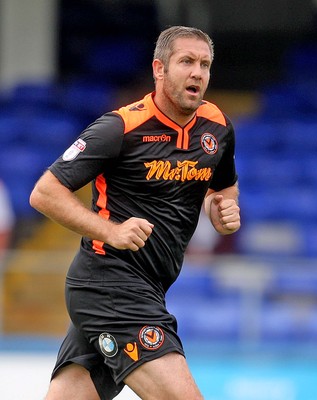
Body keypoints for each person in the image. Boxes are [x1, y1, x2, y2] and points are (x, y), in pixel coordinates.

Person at [30, 25, 240, 400]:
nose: (198, 73)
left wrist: (221, 207)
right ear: (159, 69)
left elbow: (222, 186)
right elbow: (45, 192)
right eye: (187, 62)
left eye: (205, 65)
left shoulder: (218, 127)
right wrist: (109, 231)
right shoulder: (121, 127)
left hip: (150, 287)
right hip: (110, 283)